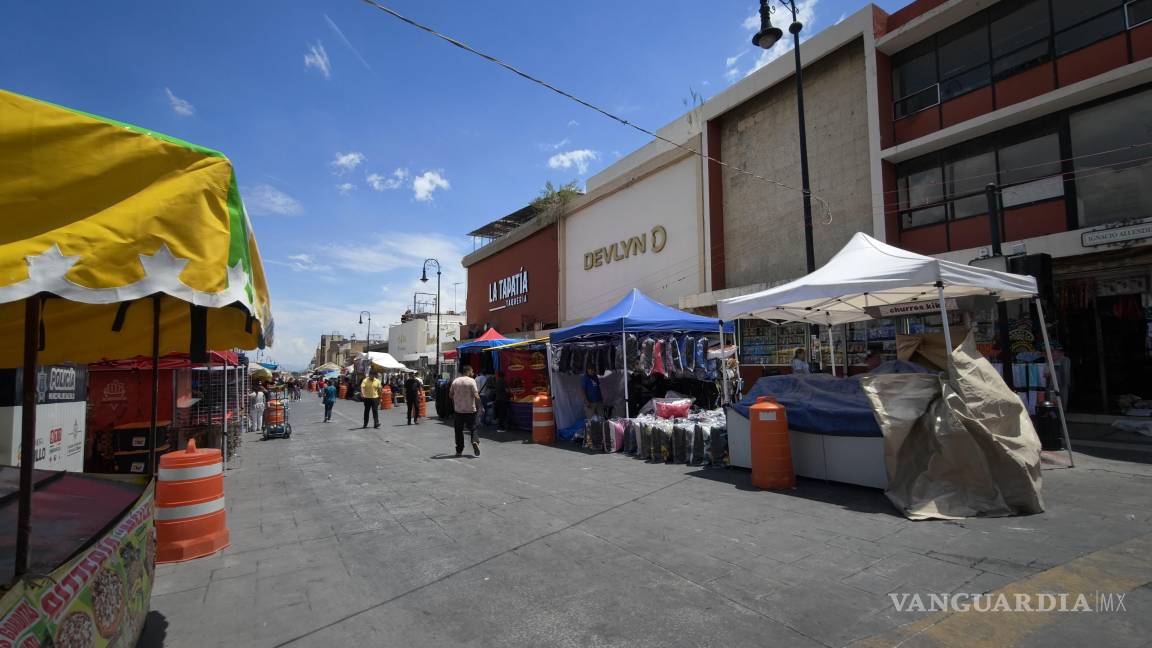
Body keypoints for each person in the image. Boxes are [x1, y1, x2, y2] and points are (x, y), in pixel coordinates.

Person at [449, 366, 481, 456]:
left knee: (458, 431)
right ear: (468, 371)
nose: (473, 373)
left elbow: (450, 395)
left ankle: (459, 450)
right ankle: (474, 441)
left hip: (458, 411)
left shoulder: (455, 381)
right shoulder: (471, 381)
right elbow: (476, 395)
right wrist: (480, 406)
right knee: (473, 428)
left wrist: (457, 399)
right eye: (472, 371)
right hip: (470, 410)